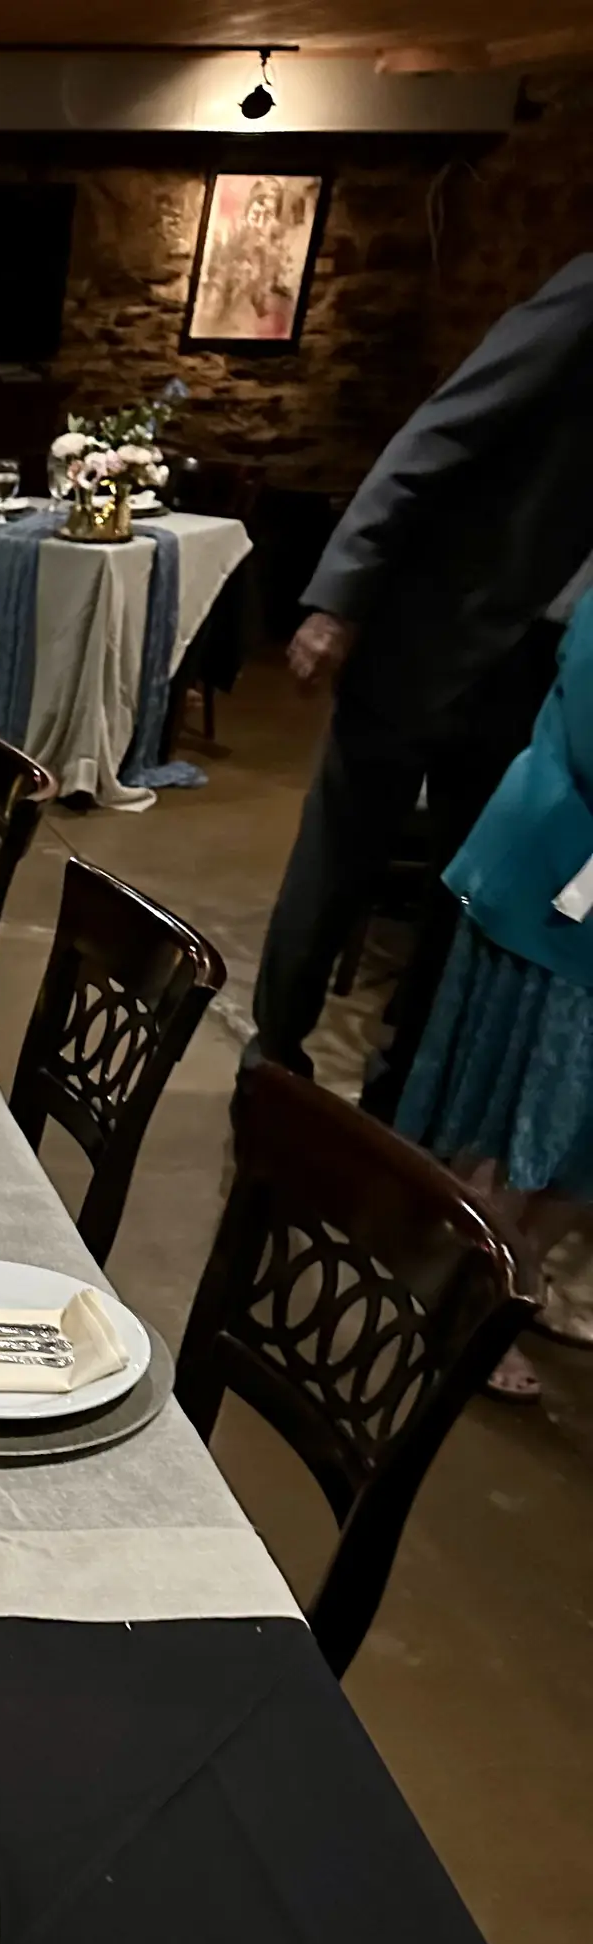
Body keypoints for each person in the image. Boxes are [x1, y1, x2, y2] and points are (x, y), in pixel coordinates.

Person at [250, 253, 593, 1105]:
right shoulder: (589, 294)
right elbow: (436, 432)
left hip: (537, 667)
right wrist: (338, 599)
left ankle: (405, 1082)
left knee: (465, 882)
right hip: (431, 632)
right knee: (339, 855)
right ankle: (274, 1049)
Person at [395, 588, 593, 1398]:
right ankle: (469, 1297)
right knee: (526, 1111)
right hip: (559, 877)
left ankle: (523, 1272)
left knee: (584, 1134)